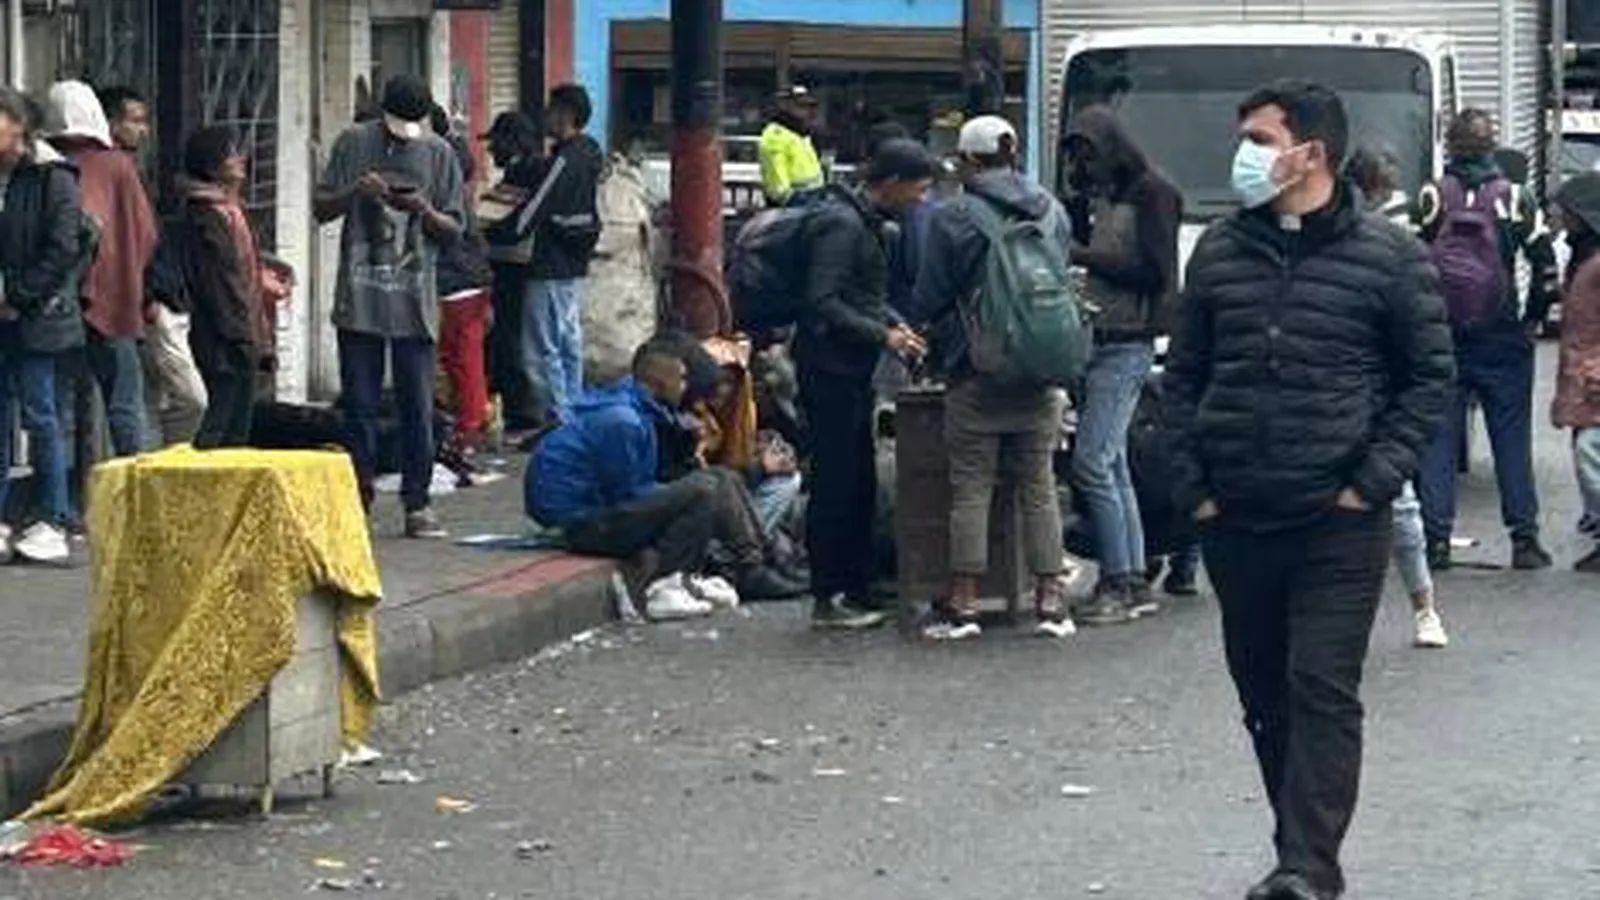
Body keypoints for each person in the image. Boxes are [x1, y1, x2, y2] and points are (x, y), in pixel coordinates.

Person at [1163, 80, 1453, 900]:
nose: (1243, 155)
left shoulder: (1390, 257)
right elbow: (1181, 377)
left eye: (1259, 139)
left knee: (1321, 687)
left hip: (1338, 520)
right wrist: (1196, 489)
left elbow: (1428, 379)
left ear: (1311, 153)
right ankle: (1294, 844)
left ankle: (1307, 868)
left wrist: (1370, 483)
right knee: (1264, 694)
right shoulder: (1220, 250)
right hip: (1235, 514)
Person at [908, 115, 1074, 641]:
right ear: (1013, 152)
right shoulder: (1052, 210)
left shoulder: (954, 216)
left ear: (966, 160)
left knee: (971, 487)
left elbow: (930, 296)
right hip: (1041, 369)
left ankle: (964, 601)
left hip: (976, 369)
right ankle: (1051, 597)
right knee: (1039, 485)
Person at [526, 344, 803, 619]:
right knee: (703, 489)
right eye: (681, 378)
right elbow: (627, 495)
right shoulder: (623, 421)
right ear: (660, 381)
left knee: (720, 477)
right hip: (581, 525)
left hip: (599, 513)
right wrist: (678, 491)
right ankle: (668, 585)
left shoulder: (639, 411)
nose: (685, 385)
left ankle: (756, 562)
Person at [314, 74, 466, 539]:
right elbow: (321, 207)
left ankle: (417, 502)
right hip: (360, 299)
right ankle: (358, 500)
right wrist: (355, 193)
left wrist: (423, 210)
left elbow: (455, 229)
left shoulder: (439, 154)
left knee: (416, 406)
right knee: (358, 405)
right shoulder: (353, 142)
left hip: (414, 304)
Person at [1415, 108, 1559, 571]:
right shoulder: (1516, 197)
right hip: (1502, 334)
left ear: (1450, 146)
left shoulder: (1432, 194)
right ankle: (1524, 539)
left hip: (1444, 335)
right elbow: (1546, 268)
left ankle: (1436, 539)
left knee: (1439, 438)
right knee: (1511, 438)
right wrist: (1531, 320)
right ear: (1492, 146)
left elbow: (1412, 262)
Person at [797, 138, 931, 629]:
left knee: (859, 479)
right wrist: (883, 335)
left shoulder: (866, 222)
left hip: (852, 369)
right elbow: (822, 300)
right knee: (835, 482)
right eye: (917, 188)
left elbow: (863, 297)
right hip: (828, 369)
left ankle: (858, 585)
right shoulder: (842, 224)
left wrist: (895, 325)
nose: (920, 199)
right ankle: (828, 595)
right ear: (891, 183)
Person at [1060, 104, 1183, 625]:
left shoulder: (1153, 194)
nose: (1084, 166)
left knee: (1093, 461)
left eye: (1089, 154)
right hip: (1106, 336)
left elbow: (1155, 271)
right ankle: (1130, 575)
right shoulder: (1110, 196)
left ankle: (1120, 579)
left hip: (1129, 338)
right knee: (1111, 464)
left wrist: (1082, 255)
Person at [1347, 144, 1450, 648]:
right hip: (1371, 389)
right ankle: (1424, 610)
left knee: (1397, 507)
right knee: (1401, 510)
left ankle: (1422, 608)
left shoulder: (1386, 235)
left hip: (1368, 391)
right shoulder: (1400, 231)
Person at [0, 86, 89, 564]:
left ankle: (52, 517)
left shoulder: (53, 176)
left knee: (40, 412)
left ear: (20, 125)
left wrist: (18, 296)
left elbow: (62, 247)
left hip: (39, 315)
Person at [45, 79, 157, 457]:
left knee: (56, 409)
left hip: (55, 305)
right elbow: (143, 233)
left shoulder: (45, 165)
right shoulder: (117, 166)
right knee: (124, 405)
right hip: (113, 301)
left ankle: (62, 490)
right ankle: (132, 488)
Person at [98, 86, 210, 448]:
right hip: (138, 299)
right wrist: (147, 293)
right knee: (185, 397)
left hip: (155, 296)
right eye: (135, 121)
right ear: (111, 123)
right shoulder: (112, 169)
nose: (143, 130)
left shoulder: (130, 169)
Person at [495, 85, 603, 426]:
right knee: (567, 341)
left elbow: (535, 209)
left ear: (566, 114)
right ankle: (573, 410)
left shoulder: (565, 160)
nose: (545, 116)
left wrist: (496, 233)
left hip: (550, 262)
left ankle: (557, 417)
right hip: (573, 263)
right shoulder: (588, 154)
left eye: (551, 109)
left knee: (542, 347)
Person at [176, 126, 269, 449]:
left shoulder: (230, 211)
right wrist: (241, 336)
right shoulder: (206, 216)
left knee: (236, 429)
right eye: (231, 154)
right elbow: (219, 284)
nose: (239, 160)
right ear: (213, 166)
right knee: (221, 427)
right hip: (224, 339)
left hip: (240, 332)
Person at [480, 110, 547, 433]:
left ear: (512, 142)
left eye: (496, 142)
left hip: (516, 264)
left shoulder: (526, 172)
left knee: (511, 336)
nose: (491, 150)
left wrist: (481, 225)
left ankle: (522, 407)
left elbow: (503, 220)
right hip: (513, 262)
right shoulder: (521, 170)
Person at [431, 104, 494, 447]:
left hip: (458, 279)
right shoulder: (456, 172)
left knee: (461, 355)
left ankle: (471, 422)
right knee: (461, 354)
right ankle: (472, 418)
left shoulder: (443, 180)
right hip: (469, 277)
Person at [1551, 172, 1600, 572]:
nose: (1560, 217)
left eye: (1567, 212)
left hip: (1593, 372)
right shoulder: (1582, 255)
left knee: (1589, 453)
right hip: (1585, 373)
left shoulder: (1593, 261)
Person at [759, 86, 824, 207]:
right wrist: (794, 201)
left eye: (808, 106)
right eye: (800, 106)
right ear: (784, 106)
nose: (806, 111)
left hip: (813, 203)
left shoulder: (801, 134)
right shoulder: (776, 135)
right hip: (790, 209)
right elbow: (778, 189)